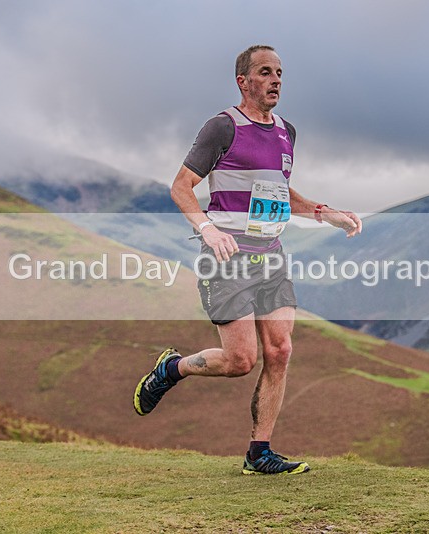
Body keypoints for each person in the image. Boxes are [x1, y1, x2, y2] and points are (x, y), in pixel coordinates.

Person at [133, 44, 362, 475]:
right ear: (243, 81)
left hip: (270, 257)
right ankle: (172, 367)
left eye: (280, 72)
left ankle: (259, 454)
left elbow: (279, 191)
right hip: (227, 259)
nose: (276, 80)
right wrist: (209, 229)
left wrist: (325, 213)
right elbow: (181, 187)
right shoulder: (222, 127)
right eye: (265, 72)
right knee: (241, 361)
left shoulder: (286, 132)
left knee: (281, 350)